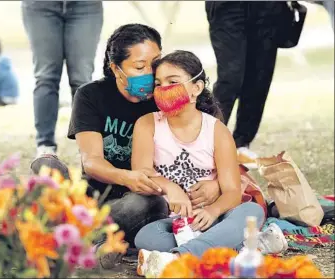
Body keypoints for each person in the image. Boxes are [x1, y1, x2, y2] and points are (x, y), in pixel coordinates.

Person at [31, 24, 222, 270]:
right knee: (46, 166)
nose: (151, 74)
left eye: (155, 64)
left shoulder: (164, 97)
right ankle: (91, 240)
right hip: (91, 196)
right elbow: (91, 161)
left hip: (139, 201)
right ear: (116, 69)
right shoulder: (90, 95)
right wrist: (127, 176)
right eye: (140, 67)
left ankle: (77, 241)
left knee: (149, 203)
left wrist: (215, 184)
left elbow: (208, 141)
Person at [132, 51, 286, 277]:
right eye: (158, 83)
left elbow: (232, 191)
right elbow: (142, 172)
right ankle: (243, 246)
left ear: (196, 87)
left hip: (214, 219)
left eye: (172, 82)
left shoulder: (217, 131)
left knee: (251, 211)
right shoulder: (147, 124)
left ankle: (177, 258)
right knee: (144, 237)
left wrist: (213, 211)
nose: (163, 88)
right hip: (172, 223)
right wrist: (170, 187)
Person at [205, 2, 284, 168]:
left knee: (259, 79)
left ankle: (241, 144)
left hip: (268, 7)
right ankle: (206, 145)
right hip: (227, 6)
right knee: (230, 78)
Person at [22, 1, 103, 157]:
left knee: (82, 80)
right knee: (46, 77)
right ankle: (45, 148)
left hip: (85, 6)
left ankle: (89, 150)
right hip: (40, 7)